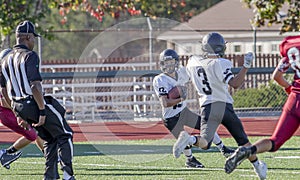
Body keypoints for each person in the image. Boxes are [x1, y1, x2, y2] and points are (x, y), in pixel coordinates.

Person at [172, 32, 267, 179]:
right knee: (244, 141)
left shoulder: (193, 62)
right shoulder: (221, 63)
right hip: (223, 106)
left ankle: (189, 139)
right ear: (220, 48)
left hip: (207, 107)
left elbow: (183, 78)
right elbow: (234, 84)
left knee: (204, 143)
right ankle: (258, 167)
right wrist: (246, 67)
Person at [0, 20, 75, 180]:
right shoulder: (29, 55)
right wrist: (41, 110)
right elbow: (35, 87)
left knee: (49, 139)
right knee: (65, 134)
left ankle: (50, 176)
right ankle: (68, 176)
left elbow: (3, 91)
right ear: (27, 37)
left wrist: (17, 113)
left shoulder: (6, 60)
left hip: (19, 106)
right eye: (33, 37)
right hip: (32, 103)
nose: (34, 41)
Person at [224, 35, 300, 176]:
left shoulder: (292, 45)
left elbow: (277, 76)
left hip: (294, 99)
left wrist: (290, 90)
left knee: (275, 141)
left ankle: (249, 150)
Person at [153, 49, 234, 168]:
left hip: (183, 112)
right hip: (171, 118)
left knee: (205, 127)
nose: (169, 65)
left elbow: (196, 72)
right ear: (162, 64)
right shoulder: (160, 80)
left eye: (171, 61)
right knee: (183, 139)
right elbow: (165, 103)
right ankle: (190, 160)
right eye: (167, 62)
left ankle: (223, 148)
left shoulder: (182, 72)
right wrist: (181, 98)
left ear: (176, 62)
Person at [0, 48, 44, 169]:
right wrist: (18, 111)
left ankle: (48, 155)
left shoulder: (9, 75)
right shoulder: (5, 76)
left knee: (35, 132)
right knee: (33, 134)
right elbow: (3, 101)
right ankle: (5, 153)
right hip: (8, 113)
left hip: (10, 112)